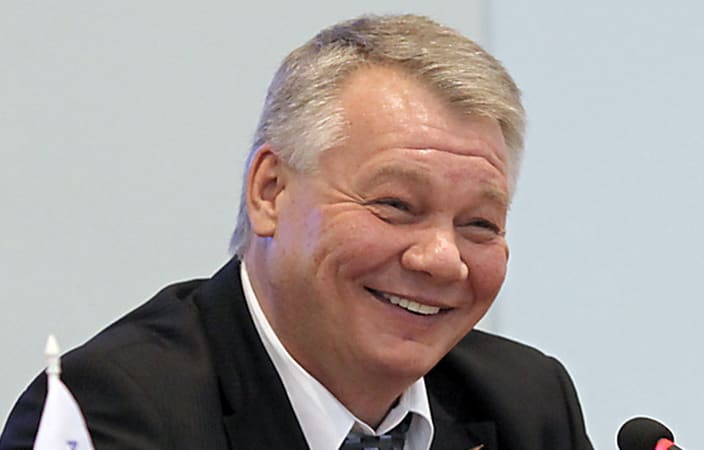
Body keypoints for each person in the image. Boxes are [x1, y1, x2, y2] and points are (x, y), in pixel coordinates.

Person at [1, 14, 593, 450]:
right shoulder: (113, 412)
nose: (442, 258)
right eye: (395, 205)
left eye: (479, 224)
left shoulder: (525, 404)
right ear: (270, 192)